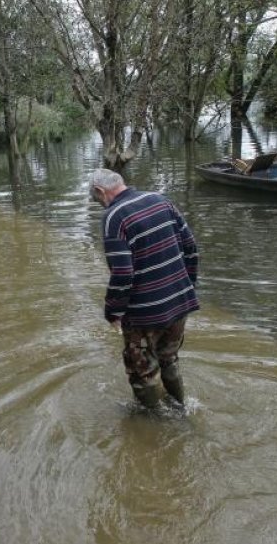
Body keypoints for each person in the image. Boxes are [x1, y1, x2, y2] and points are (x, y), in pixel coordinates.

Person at [88, 168, 199, 408]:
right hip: (180, 304)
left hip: (144, 314)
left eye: (96, 199)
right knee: (168, 359)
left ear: (100, 191)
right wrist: (186, 287)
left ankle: (152, 427)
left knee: (143, 374)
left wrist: (113, 312)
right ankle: (181, 410)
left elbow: (123, 273)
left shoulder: (113, 216)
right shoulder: (161, 200)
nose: (100, 205)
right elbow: (191, 246)